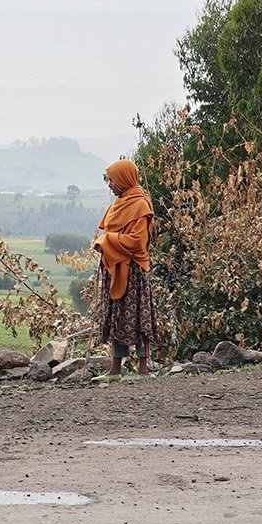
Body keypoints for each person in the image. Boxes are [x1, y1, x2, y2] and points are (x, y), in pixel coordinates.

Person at [91, 158, 158, 376]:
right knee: (117, 315)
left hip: (135, 270)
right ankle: (115, 368)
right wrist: (108, 243)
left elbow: (137, 242)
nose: (110, 185)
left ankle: (143, 369)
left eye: (112, 180)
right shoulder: (118, 204)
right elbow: (113, 233)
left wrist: (106, 242)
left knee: (139, 316)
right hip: (115, 266)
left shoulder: (140, 205)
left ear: (124, 179)